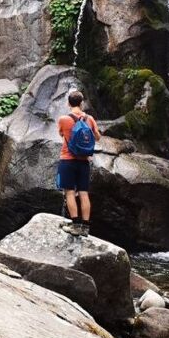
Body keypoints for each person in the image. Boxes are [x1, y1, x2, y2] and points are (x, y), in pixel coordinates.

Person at [57, 90, 102, 236]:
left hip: (67, 160)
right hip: (84, 161)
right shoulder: (90, 119)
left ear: (68, 103)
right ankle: (85, 227)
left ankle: (75, 225)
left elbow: (61, 134)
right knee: (83, 193)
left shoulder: (63, 119)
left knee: (69, 192)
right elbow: (98, 137)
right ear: (82, 103)